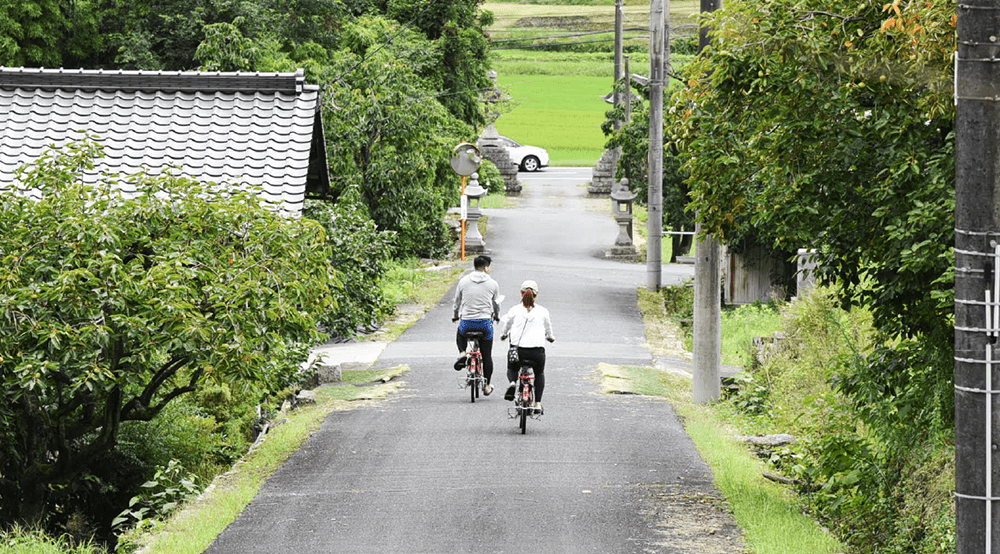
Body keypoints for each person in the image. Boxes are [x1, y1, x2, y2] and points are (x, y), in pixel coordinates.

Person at [500, 280, 554, 413]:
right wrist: (550, 337)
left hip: (518, 351)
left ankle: (513, 383)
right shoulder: (543, 311)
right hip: (537, 352)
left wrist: (504, 334)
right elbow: (548, 328)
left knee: (512, 367)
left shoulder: (514, 309)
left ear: (521, 293)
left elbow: (507, 324)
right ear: (536, 295)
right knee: (539, 373)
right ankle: (537, 403)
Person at [452, 255, 501, 395]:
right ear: (485, 268)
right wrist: (497, 316)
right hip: (485, 323)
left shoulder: (463, 281)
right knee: (487, 356)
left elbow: (457, 302)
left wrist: (455, 315)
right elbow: (496, 304)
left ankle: (462, 353)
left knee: (460, 331)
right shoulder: (493, 284)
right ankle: (487, 386)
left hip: (467, 322)